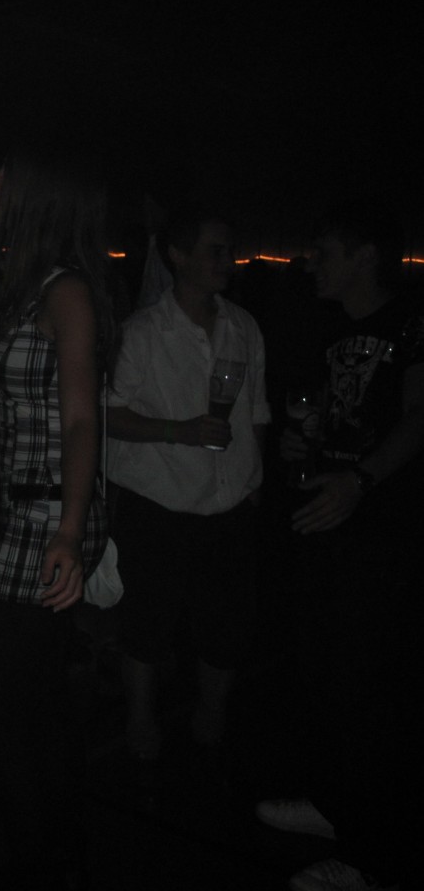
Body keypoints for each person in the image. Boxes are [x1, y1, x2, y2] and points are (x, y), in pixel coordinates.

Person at [256, 199, 423, 891]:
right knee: (324, 678)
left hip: (384, 534)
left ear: (365, 256)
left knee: (370, 694)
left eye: (324, 251)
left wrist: (361, 478)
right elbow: (328, 411)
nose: (309, 262)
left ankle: (372, 857)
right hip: (328, 524)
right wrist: (300, 442)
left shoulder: (411, 322)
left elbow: (419, 416)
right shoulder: (327, 327)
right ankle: (335, 807)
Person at [0, 138, 116, 891]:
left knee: (8, 707)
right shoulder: (32, 285)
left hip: (47, 520)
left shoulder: (66, 291)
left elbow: (83, 420)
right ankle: (57, 855)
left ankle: (40, 863)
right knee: (35, 702)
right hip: (32, 511)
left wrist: (67, 529)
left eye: (7, 176)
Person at [106, 209, 269, 765]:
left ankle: (211, 714)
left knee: (227, 628)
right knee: (146, 625)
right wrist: (179, 431)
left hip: (230, 505)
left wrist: (254, 480)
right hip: (161, 504)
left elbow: (257, 411)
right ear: (177, 256)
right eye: (214, 251)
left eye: (229, 251)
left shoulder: (244, 327)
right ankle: (141, 718)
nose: (228, 261)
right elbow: (108, 414)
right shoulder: (143, 332)